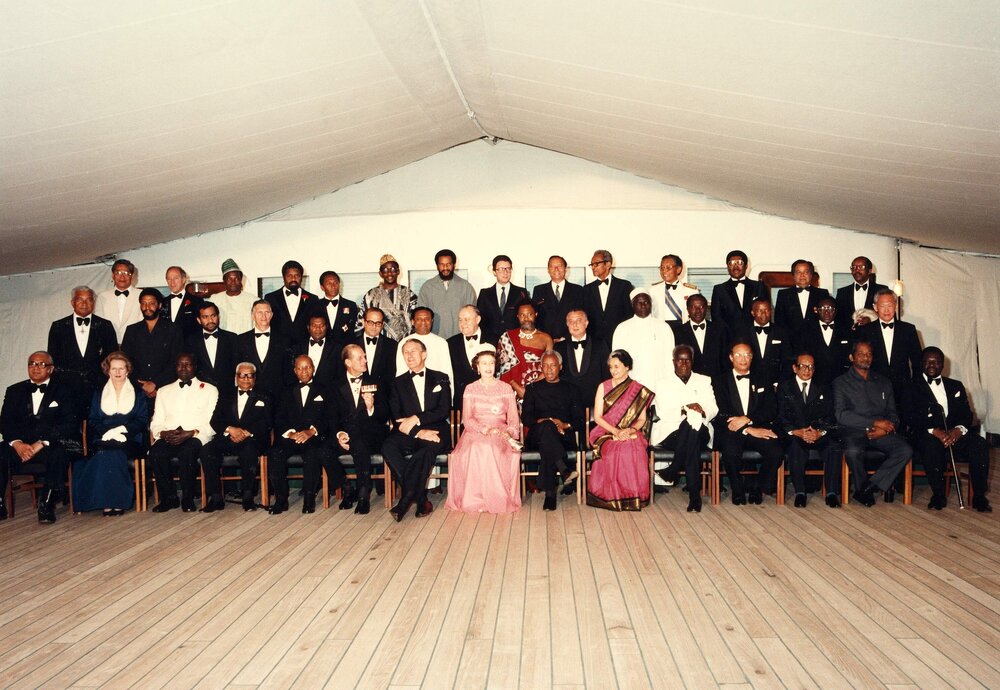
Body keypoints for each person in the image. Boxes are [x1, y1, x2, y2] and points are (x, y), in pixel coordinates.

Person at [902, 347, 991, 512]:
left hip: (953, 434)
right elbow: (909, 415)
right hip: (926, 434)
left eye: (936, 361)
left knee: (980, 444)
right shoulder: (911, 386)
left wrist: (958, 430)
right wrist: (934, 430)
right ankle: (938, 495)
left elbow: (966, 414)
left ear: (943, 365)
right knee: (932, 446)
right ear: (921, 363)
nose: (932, 365)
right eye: (928, 361)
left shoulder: (955, 386)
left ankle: (979, 496)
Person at [0, 352, 80, 522]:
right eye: (32, 363)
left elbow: (69, 424)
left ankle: (47, 504)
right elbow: (5, 423)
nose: (36, 367)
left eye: (41, 364)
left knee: (59, 453)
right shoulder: (14, 390)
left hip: (50, 443)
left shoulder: (65, 391)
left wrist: (42, 442)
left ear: (51, 369)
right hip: (21, 445)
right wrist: (17, 444)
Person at [833, 340, 912, 507]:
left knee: (905, 449)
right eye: (861, 354)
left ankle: (868, 487)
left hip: (881, 433)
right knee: (853, 451)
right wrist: (875, 423)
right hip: (854, 431)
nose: (865, 358)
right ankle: (864, 487)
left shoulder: (884, 382)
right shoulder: (840, 383)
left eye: (869, 354)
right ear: (851, 357)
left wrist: (886, 428)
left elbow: (893, 414)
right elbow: (841, 415)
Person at [445, 346, 522, 514]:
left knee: (492, 447)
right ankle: (476, 499)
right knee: (476, 448)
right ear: (477, 366)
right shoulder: (470, 388)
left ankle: (496, 498)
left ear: (496, 365)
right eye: (484, 363)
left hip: (501, 430)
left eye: (491, 363)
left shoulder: (506, 388)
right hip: (476, 431)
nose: (488, 367)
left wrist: (508, 432)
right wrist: (485, 429)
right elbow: (467, 419)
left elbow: (513, 419)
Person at [381, 339, 452, 521]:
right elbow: (397, 418)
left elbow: (443, 410)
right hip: (409, 432)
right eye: (405, 352)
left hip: (436, 429)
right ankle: (420, 498)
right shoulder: (397, 383)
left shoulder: (441, 377)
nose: (409, 355)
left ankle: (405, 502)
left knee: (425, 451)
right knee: (388, 446)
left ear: (424, 354)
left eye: (414, 351)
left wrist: (417, 418)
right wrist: (418, 431)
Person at [72, 352, 147, 515]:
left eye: (121, 368)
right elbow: (92, 419)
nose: (118, 372)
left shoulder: (138, 392)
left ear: (128, 370)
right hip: (103, 436)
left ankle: (116, 501)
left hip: (130, 437)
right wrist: (107, 431)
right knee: (105, 450)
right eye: (114, 369)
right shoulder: (99, 392)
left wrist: (123, 430)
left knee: (114, 452)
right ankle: (108, 500)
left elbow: (142, 420)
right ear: (108, 370)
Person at [712, 341, 783, 505]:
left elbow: (771, 409)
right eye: (738, 355)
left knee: (776, 451)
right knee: (730, 451)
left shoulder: (763, 378)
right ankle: (737, 491)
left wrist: (749, 419)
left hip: (758, 427)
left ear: (752, 358)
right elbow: (720, 413)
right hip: (732, 431)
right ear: (731, 357)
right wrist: (747, 429)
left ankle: (758, 489)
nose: (743, 359)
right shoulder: (719, 381)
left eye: (747, 355)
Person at [148, 353, 219, 513]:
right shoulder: (164, 391)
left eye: (188, 365)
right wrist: (162, 433)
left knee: (187, 452)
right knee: (155, 453)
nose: (184, 368)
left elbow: (212, 422)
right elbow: (157, 421)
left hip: (194, 435)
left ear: (195, 367)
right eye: (180, 365)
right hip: (170, 435)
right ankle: (168, 498)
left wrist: (192, 433)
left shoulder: (209, 389)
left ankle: (188, 498)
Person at [650, 345, 717, 512]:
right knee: (690, 429)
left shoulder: (704, 380)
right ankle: (695, 497)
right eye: (680, 360)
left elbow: (713, 408)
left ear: (692, 361)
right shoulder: (662, 383)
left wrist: (701, 410)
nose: (684, 363)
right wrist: (686, 408)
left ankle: (674, 468)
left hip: (702, 431)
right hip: (672, 432)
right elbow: (663, 412)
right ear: (674, 362)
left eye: (687, 359)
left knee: (693, 423)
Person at [586, 349, 655, 511]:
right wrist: (616, 432)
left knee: (634, 446)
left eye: (617, 367)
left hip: (630, 431)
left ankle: (632, 496)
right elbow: (598, 417)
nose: (613, 371)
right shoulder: (603, 387)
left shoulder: (638, 389)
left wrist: (630, 430)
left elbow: (642, 419)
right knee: (616, 450)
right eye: (611, 367)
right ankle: (613, 497)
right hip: (605, 431)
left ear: (627, 367)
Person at [267, 355, 336, 515]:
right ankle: (281, 500)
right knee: (275, 453)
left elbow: (330, 417)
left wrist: (311, 431)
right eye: (300, 368)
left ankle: (309, 499)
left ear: (313, 368)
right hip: (291, 437)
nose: (304, 371)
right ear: (295, 371)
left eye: (308, 367)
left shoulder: (325, 390)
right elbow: (278, 417)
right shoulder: (285, 391)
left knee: (312, 454)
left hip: (312, 437)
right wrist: (290, 433)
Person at [203, 362, 272, 511]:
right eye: (242, 375)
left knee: (249, 452)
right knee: (207, 451)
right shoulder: (226, 394)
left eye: (250, 376)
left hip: (252, 439)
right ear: (236, 377)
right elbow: (215, 420)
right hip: (229, 437)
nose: (246, 379)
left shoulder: (264, 395)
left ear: (255, 378)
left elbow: (267, 421)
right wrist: (231, 429)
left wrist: (246, 432)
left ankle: (247, 497)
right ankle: (216, 498)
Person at [329, 344, 389, 515]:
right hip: (346, 434)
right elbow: (331, 416)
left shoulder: (376, 382)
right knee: (322, 450)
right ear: (348, 362)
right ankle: (347, 488)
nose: (365, 360)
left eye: (364, 356)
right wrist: (339, 434)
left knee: (360, 445)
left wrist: (371, 408)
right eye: (360, 358)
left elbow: (385, 414)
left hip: (370, 435)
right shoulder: (335, 386)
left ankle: (363, 495)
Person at [777, 353, 842, 508]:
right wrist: (797, 431)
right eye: (803, 366)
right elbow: (781, 416)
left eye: (811, 366)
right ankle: (800, 492)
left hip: (818, 433)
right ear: (794, 368)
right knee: (794, 446)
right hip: (797, 434)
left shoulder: (824, 387)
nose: (807, 370)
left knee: (834, 446)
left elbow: (830, 415)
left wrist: (819, 432)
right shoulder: (785, 387)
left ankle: (831, 493)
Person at [522, 352, 584, 510]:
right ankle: (564, 470)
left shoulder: (572, 389)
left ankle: (550, 494)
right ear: (540, 367)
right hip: (536, 437)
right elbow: (526, 419)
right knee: (548, 428)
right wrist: (540, 421)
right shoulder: (533, 388)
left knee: (548, 442)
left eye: (553, 365)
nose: (548, 369)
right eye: (545, 365)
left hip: (562, 437)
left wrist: (565, 425)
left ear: (560, 367)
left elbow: (579, 421)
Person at [47, 286, 118, 414]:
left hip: (98, 388)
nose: (84, 304)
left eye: (89, 300)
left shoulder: (105, 326)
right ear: (72, 302)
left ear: (93, 303)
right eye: (80, 299)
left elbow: (112, 358)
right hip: (67, 388)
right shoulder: (58, 327)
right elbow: (53, 360)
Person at [120, 288, 183, 404]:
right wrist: (141, 385)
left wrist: (155, 383)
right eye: (143, 303)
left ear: (159, 305)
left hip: (165, 389)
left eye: (151, 303)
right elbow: (125, 361)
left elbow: (176, 361)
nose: (147, 307)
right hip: (137, 389)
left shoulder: (173, 329)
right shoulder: (132, 330)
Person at [856, 289, 922, 398]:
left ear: (896, 305)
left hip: (903, 390)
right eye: (882, 306)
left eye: (890, 305)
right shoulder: (865, 331)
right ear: (875, 307)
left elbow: (917, 362)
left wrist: (914, 386)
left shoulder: (908, 329)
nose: (886, 310)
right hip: (873, 388)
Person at [611, 288, 674, 394]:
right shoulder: (622, 328)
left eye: (646, 302)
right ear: (632, 305)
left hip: (659, 383)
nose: (643, 305)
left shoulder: (664, 327)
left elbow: (670, 359)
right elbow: (617, 362)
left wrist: (669, 384)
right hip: (631, 386)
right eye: (639, 302)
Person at [498, 301, 554, 400]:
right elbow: (502, 368)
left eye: (530, 314)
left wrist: (530, 390)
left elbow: (549, 367)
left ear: (536, 314)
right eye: (522, 315)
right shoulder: (506, 337)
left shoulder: (546, 338)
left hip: (538, 390)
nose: (526, 318)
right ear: (518, 316)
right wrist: (516, 386)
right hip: (511, 390)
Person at [235, 299, 291, 397]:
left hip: (277, 396)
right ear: (252, 316)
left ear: (272, 315)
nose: (264, 316)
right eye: (259, 312)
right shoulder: (240, 340)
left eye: (267, 312)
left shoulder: (285, 340)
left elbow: (288, 372)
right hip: (250, 396)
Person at [417, 249, 477, 339]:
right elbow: (421, 316)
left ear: (454, 265)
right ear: (437, 266)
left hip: (459, 339)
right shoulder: (427, 287)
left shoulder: (466, 287)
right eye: (442, 264)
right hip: (434, 339)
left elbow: (472, 316)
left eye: (448, 264)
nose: (445, 268)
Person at [733, 298, 792, 389]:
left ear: (771, 311)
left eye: (767, 310)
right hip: (749, 384)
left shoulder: (781, 332)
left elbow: (787, 361)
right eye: (760, 311)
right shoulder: (742, 332)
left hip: (775, 385)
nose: (764, 314)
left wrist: (779, 383)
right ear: (753, 312)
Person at [554, 309, 610, 405]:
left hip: (595, 401)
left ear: (586, 323)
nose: (575, 325)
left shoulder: (600, 344)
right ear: (567, 324)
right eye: (571, 322)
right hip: (567, 401)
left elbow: (606, 373)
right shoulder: (559, 347)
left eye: (578, 321)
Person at [359, 254, 417, 342]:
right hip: (378, 344)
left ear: (398, 271)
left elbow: (415, 321)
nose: (389, 273)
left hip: (404, 343)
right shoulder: (371, 295)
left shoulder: (409, 294)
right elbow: (361, 321)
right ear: (380, 273)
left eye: (393, 269)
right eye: (385, 270)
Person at [710, 250, 767, 337]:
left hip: (755, 336)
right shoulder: (719, 289)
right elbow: (716, 317)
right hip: (728, 338)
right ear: (727, 267)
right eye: (731, 263)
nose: (735, 267)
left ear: (746, 266)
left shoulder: (758, 286)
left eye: (739, 263)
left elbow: (765, 312)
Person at [396, 307, 454, 392]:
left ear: (432, 321)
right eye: (419, 319)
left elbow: (447, 370)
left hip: (436, 389)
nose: (423, 322)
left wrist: (449, 396)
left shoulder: (441, 342)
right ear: (413, 322)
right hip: (410, 389)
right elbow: (401, 370)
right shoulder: (404, 342)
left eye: (427, 319)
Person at [583, 249, 634, 344]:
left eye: (596, 264)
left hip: (619, 338)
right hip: (594, 342)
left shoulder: (624, 286)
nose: (593, 267)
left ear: (608, 265)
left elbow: (629, 315)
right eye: (592, 264)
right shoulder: (586, 289)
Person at [476, 254, 530, 345]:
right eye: (501, 269)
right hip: (490, 341)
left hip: (516, 341)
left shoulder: (521, 292)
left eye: (508, 268)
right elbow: (480, 320)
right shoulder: (484, 294)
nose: (505, 272)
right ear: (494, 272)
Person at [531, 255, 585, 341]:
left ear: (565, 269)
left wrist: (565, 338)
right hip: (545, 342)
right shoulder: (539, 290)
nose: (556, 269)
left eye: (559, 266)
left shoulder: (577, 290)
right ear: (548, 270)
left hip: (570, 341)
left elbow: (582, 317)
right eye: (552, 266)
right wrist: (547, 339)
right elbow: (535, 318)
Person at [671, 294, 725, 379]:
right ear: (688, 310)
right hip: (690, 382)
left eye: (701, 307)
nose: (698, 311)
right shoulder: (677, 332)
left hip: (717, 382)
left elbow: (725, 360)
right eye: (693, 307)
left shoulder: (720, 330)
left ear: (706, 309)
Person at [186, 302, 238, 388]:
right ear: (199, 320)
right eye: (205, 317)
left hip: (227, 392)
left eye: (213, 316)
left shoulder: (232, 338)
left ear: (219, 317)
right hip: (201, 391)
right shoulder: (191, 341)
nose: (210, 320)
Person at [773, 259, 831, 336]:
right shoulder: (783, 294)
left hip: (816, 343)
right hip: (791, 344)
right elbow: (779, 322)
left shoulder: (822, 294)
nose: (802, 275)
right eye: (798, 272)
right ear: (793, 275)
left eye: (806, 272)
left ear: (811, 275)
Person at [264, 260, 317, 339]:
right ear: (283, 277)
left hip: (303, 348)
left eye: (297, 275)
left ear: (301, 278)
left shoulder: (313, 299)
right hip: (278, 346)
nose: (293, 279)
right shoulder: (270, 298)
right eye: (289, 276)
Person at [309, 270, 359, 350]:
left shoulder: (351, 305)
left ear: (339, 285)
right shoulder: (314, 305)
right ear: (322, 287)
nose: (333, 286)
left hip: (344, 350)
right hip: (322, 350)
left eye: (335, 283)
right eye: (329, 283)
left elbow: (354, 331)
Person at [95, 258, 142, 343]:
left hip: (135, 342)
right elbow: (100, 323)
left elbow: (142, 322)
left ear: (132, 275)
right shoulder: (102, 296)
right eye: (118, 273)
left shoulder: (141, 295)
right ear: (113, 275)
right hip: (109, 342)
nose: (122, 277)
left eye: (126, 273)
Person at [447, 305, 484, 409]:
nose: (462, 324)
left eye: (467, 319)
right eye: (460, 320)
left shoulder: (494, 339)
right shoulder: (450, 343)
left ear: (478, 319)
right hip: (461, 402)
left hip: (488, 400)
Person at [834, 256, 887, 330]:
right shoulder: (842, 292)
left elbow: (888, 316)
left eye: (861, 267)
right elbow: (838, 319)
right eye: (854, 267)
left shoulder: (881, 290)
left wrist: (871, 320)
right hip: (850, 338)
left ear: (869, 271)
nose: (856, 270)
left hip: (874, 337)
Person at [353, 307, 397, 389]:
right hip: (356, 392)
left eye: (378, 323)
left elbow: (391, 375)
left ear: (383, 324)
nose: (374, 327)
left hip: (382, 395)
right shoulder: (352, 343)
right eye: (370, 322)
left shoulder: (392, 345)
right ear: (363, 321)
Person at [293, 315, 341, 389]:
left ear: (326, 327)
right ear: (308, 328)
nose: (318, 329)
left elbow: (340, 375)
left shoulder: (336, 348)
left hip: (328, 394)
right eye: (314, 325)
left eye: (322, 325)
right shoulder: (297, 347)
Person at [649, 254, 699, 324]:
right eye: (662, 268)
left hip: (683, 329)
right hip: (661, 329)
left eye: (668, 267)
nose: (664, 271)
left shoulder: (691, 291)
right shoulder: (653, 290)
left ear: (678, 269)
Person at [216, 258, 259, 335]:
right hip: (224, 344)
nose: (233, 282)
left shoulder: (254, 300)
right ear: (224, 281)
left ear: (241, 280)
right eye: (229, 279)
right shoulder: (214, 300)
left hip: (247, 343)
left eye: (236, 279)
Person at [160, 265, 205, 339]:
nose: (172, 282)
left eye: (176, 278)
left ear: (184, 279)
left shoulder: (196, 301)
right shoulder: (162, 302)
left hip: (189, 348)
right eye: (169, 279)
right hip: (167, 349)